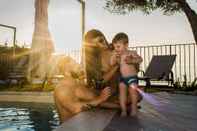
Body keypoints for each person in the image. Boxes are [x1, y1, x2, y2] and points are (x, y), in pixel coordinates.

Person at [110, 32, 143, 117]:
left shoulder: (131, 53)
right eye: (115, 47)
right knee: (122, 95)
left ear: (126, 45)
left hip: (132, 77)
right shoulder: (117, 54)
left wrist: (132, 61)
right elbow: (111, 63)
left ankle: (134, 109)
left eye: (118, 46)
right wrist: (114, 57)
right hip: (122, 78)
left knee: (133, 93)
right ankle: (123, 110)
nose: (116, 49)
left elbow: (140, 59)